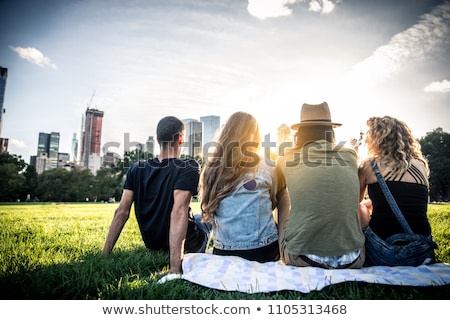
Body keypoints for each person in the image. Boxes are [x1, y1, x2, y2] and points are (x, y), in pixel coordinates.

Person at [103, 116, 211, 274]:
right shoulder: (188, 167)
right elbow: (179, 212)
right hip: (190, 245)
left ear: (157, 139)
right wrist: (175, 267)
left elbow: (122, 211)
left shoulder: (136, 168)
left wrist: (105, 253)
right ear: (181, 138)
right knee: (208, 217)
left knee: (196, 216)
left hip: (152, 244)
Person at [276, 102, 365, 269]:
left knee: (281, 194)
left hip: (301, 257)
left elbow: (272, 197)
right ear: (330, 131)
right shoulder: (350, 155)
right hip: (354, 259)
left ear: (300, 132)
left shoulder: (287, 157)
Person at [199, 111, 290, 263]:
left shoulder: (212, 169)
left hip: (224, 251)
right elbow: (274, 201)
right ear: (255, 137)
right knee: (283, 193)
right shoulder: (268, 166)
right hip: (264, 251)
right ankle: (284, 242)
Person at [358, 115, 435, 265]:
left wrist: (364, 206)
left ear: (376, 138)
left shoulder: (370, 165)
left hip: (386, 252)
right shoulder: (420, 166)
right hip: (423, 251)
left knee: (358, 208)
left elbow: (353, 202)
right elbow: (403, 197)